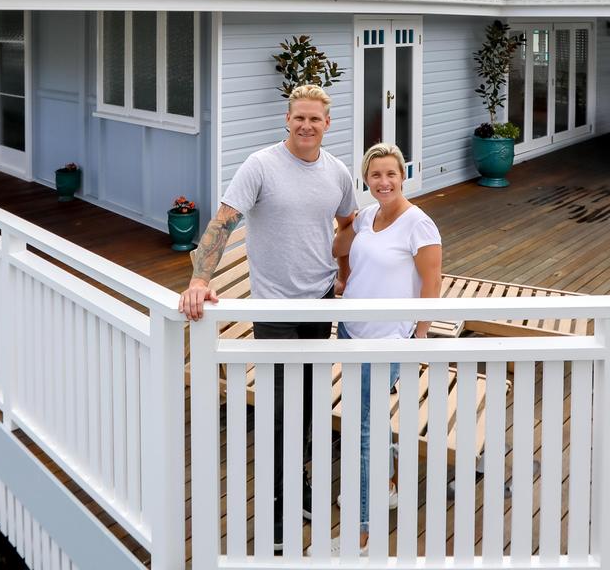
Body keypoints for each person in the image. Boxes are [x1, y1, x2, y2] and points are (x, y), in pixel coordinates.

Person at [178, 84, 357, 549]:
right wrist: (200, 279)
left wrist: (342, 272)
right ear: (287, 119)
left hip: (319, 302)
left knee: (314, 400)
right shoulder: (261, 166)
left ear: (327, 124)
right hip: (273, 307)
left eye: (315, 119)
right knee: (278, 409)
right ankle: (276, 507)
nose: (306, 125)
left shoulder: (337, 172)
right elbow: (222, 222)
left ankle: (298, 482)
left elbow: (348, 225)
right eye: (299, 117)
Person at [332, 142, 442, 551]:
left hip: (385, 340)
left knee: (360, 429)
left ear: (403, 175)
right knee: (372, 418)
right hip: (351, 331)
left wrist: (421, 334)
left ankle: (361, 532)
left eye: (391, 174)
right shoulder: (366, 217)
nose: (383, 182)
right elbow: (339, 247)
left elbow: (432, 284)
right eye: (375, 175)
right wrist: (343, 277)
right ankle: (390, 484)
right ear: (366, 178)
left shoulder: (419, 224)